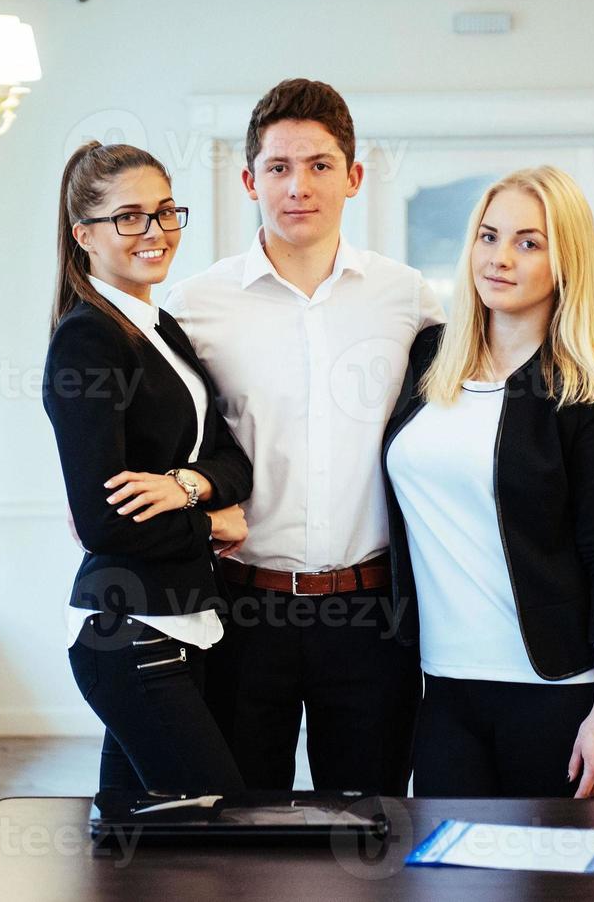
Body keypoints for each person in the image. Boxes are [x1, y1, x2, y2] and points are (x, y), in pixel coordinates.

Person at [162, 78, 444, 795]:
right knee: (240, 829)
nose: (299, 186)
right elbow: (156, 433)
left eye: (320, 165)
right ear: (250, 178)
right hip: (241, 611)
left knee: (368, 827)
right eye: (280, 168)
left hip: (370, 611)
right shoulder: (196, 306)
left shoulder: (408, 297)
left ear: (353, 176)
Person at [383, 166, 594, 799]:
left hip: (558, 695)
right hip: (441, 690)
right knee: (447, 887)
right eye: (489, 236)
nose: (500, 258)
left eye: (529, 242)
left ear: (566, 260)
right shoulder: (429, 359)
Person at [43, 140, 252, 794]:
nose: (156, 232)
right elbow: (104, 523)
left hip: (182, 620)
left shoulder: (162, 329)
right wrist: (215, 525)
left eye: (165, 212)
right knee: (214, 819)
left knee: (137, 842)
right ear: (85, 235)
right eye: (129, 217)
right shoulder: (88, 339)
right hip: (128, 630)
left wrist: (185, 485)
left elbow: (233, 460)